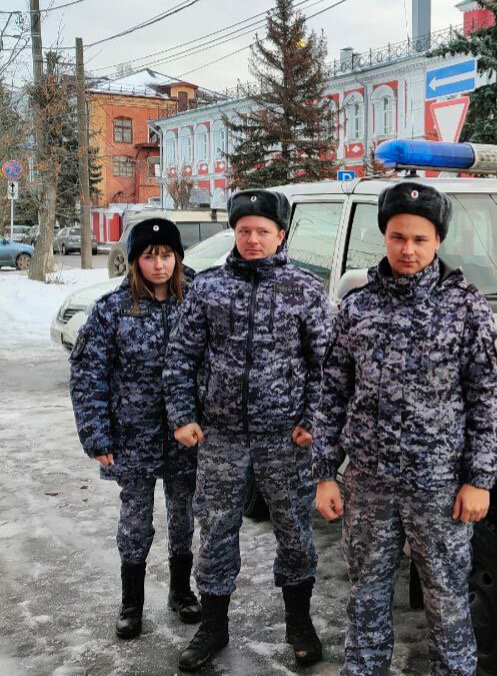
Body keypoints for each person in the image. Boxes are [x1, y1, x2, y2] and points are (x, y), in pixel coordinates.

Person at [314, 182, 497, 676]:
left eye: (420, 239)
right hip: (369, 485)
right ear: (383, 236)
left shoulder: (466, 307)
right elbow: (331, 394)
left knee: (447, 603)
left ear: (438, 241)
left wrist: (479, 479)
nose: (408, 249)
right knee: (366, 599)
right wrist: (323, 473)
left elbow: (489, 398)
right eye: (398, 236)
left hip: (440, 486)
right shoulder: (357, 307)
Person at [163, 189, 334, 672]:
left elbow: (328, 366)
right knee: (215, 530)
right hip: (221, 437)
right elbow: (181, 357)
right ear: (233, 234)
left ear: (281, 235)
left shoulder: (303, 288)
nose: (253, 239)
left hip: (285, 439)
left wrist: (311, 421)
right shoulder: (209, 287)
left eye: (263, 231)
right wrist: (182, 415)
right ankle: (213, 626)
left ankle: (298, 623)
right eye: (244, 231)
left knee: (295, 533)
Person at [69, 218, 201, 640]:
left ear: (178, 257)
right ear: (135, 261)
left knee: (184, 516)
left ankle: (181, 591)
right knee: (135, 520)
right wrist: (96, 435)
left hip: (187, 434)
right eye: (149, 256)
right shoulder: (113, 309)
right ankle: (132, 602)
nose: (159, 264)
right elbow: (88, 373)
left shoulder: (197, 299)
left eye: (166, 255)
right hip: (134, 434)